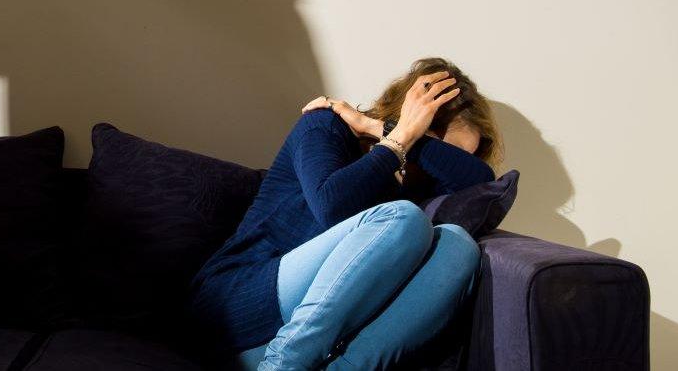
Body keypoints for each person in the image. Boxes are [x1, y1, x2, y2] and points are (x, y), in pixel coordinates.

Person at [186, 57, 506, 370]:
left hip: (273, 346)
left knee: (458, 244)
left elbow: (478, 178)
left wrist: (375, 126)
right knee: (402, 219)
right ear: (413, 123)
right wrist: (400, 139)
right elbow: (333, 209)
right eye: (440, 148)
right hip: (234, 305)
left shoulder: (414, 183)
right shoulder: (324, 125)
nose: (441, 165)